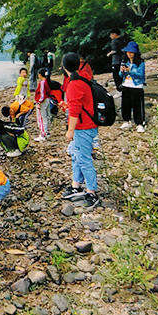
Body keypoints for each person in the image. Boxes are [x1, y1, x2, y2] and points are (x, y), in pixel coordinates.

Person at [60, 52, 101, 209]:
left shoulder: (74, 84)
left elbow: (76, 110)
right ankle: (75, 186)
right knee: (76, 156)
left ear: (64, 67)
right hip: (86, 124)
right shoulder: (83, 76)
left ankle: (92, 192)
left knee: (84, 159)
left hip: (83, 127)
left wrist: (70, 130)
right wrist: (67, 105)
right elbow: (80, 103)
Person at [119, 41, 146, 133]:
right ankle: (127, 121)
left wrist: (130, 71)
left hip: (136, 85)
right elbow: (120, 75)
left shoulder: (140, 63)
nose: (129, 54)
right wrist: (122, 71)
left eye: (131, 52)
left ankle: (140, 123)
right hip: (126, 84)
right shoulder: (124, 61)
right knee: (125, 104)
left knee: (137, 105)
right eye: (127, 52)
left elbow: (140, 75)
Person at [33, 68, 53, 142]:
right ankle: (46, 132)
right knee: (46, 117)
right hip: (46, 100)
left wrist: (38, 102)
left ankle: (43, 134)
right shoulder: (46, 82)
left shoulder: (42, 83)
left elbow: (42, 94)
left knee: (41, 118)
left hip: (42, 101)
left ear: (39, 74)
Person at [107, 29, 126, 96]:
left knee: (116, 76)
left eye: (111, 34)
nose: (110, 36)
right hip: (123, 60)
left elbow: (114, 50)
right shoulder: (123, 40)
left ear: (114, 34)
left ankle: (119, 90)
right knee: (122, 75)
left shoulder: (114, 41)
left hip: (116, 61)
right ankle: (124, 89)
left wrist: (108, 54)